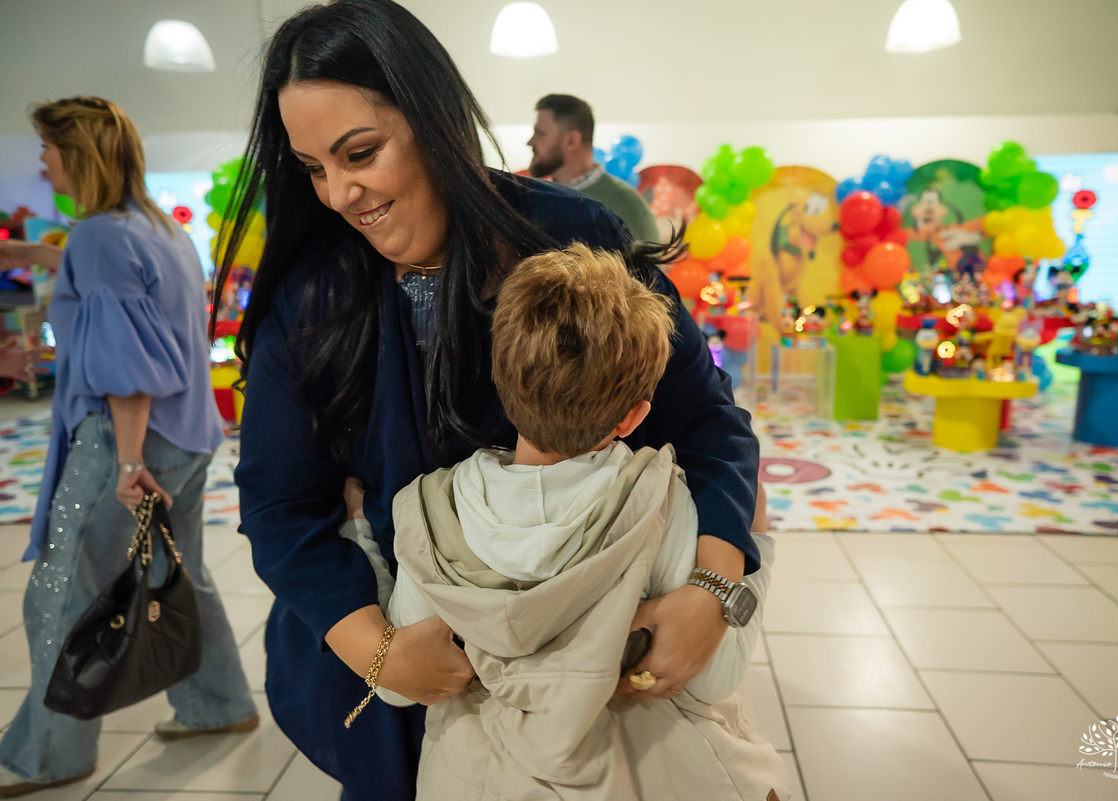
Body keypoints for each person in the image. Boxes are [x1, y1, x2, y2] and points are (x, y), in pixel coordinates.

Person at [220, 2, 760, 799]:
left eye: (360, 152)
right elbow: (278, 507)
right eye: (312, 167)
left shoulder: (574, 241)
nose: (338, 193)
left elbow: (709, 421)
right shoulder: (316, 295)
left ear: (433, 116)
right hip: (409, 693)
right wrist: (378, 649)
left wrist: (713, 589)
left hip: (591, 693)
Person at [340, 243, 787, 799]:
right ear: (634, 416)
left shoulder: (432, 512)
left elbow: (400, 687)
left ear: (502, 389)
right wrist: (758, 546)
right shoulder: (662, 504)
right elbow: (715, 674)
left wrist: (362, 536)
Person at [0, 97, 258, 798]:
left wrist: (128, 462)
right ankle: (219, 703)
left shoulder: (98, 239)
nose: (41, 160)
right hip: (191, 433)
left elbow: (128, 366)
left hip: (128, 440)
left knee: (61, 589)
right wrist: (25, 252)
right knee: (182, 575)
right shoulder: (152, 229)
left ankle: (52, 752)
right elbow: (116, 299)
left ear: (77, 154)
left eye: (49, 148)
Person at [528, 94, 661, 243]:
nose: (530, 142)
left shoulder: (629, 207)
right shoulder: (537, 200)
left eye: (540, 133)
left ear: (572, 141)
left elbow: (647, 266)